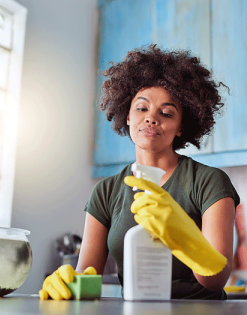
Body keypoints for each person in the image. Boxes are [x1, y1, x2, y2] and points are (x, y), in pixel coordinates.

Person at [41, 45, 240, 300]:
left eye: (166, 113)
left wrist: (186, 240)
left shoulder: (209, 181)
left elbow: (217, 279)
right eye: (141, 108)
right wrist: (67, 283)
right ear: (126, 116)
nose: (151, 118)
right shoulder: (106, 191)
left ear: (180, 127)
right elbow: (87, 276)